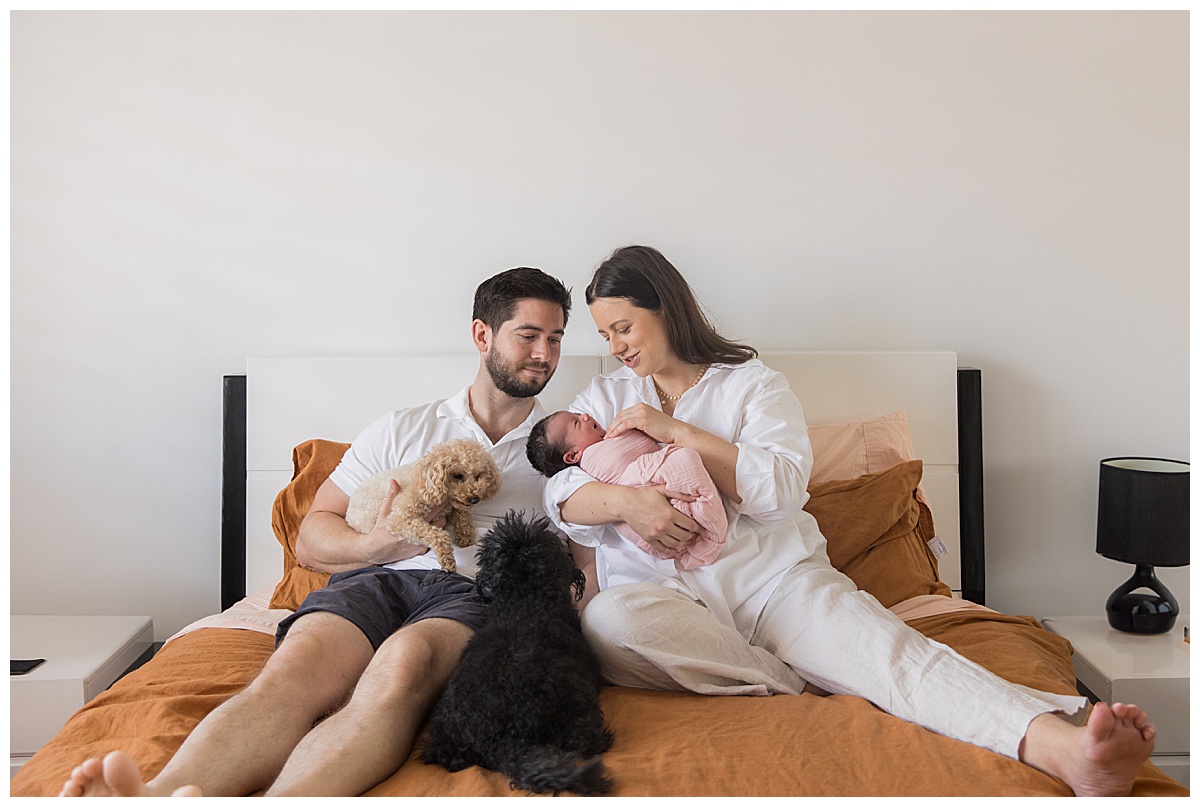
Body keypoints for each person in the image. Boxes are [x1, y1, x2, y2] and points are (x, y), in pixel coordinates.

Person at [542, 245, 1157, 797]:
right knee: (607, 622)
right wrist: (625, 503)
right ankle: (788, 677)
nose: (617, 347)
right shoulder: (604, 399)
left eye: (624, 327)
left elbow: (780, 491)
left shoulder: (753, 386)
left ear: (667, 309)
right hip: (668, 602)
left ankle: (1064, 749)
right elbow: (560, 493)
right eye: (606, 335)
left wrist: (678, 433)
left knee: (891, 656)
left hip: (773, 583)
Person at [60, 267, 574, 797]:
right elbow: (311, 536)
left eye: (555, 339)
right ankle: (158, 794)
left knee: (400, 672)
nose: (544, 354)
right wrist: (374, 546)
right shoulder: (401, 428)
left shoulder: (563, 447)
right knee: (292, 673)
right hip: (374, 580)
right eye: (528, 336)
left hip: (471, 594)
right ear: (482, 335)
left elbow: (585, 560)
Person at [526, 409, 726, 569]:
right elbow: (558, 494)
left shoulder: (616, 431)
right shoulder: (591, 460)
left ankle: (707, 529)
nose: (585, 415)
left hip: (666, 495)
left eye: (579, 414)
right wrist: (628, 501)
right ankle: (708, 529)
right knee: (684, 460)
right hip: (646, 525)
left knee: (685, 460)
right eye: (576, 422)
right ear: (572, 456)